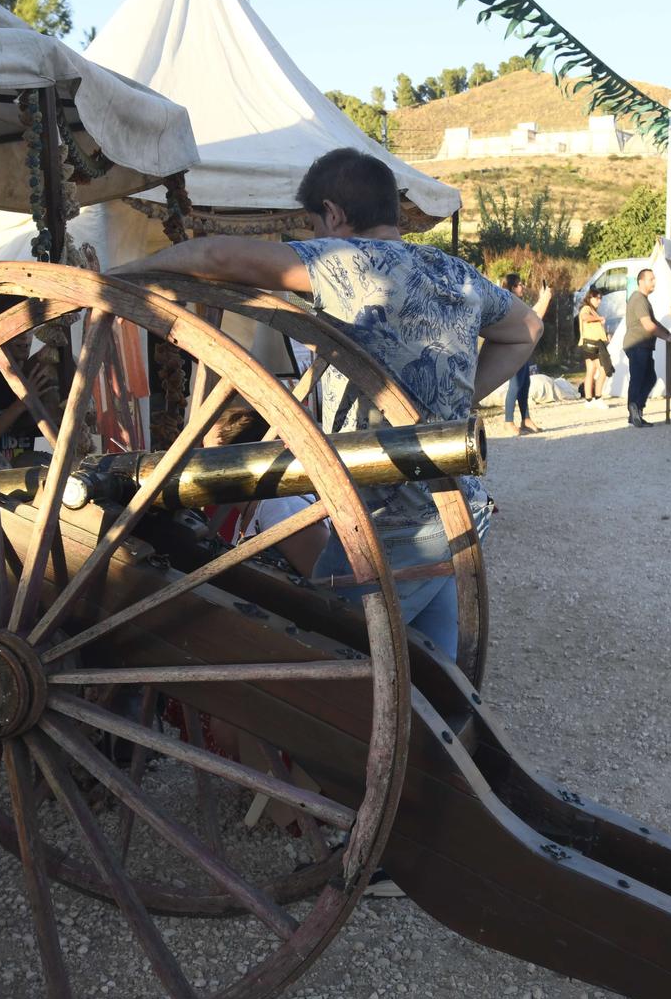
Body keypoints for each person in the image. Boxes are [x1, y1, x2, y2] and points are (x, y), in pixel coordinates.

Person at [115, 146, 541, 655]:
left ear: (334, 213)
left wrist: (115, 282)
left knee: (326, 675)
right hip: (456, 513)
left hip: (385, 528)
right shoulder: (455, 272)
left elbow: (216, 256)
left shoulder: (348, 262)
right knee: (435, 676)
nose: (315, 239)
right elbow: (527, 329)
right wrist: (454, 406)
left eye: (315, 225)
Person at [621, 267, 671, 428]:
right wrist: (667, 337)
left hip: (642, 345)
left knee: (649, 377)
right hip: (637, 345)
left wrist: (668, 333)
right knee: (638, 379)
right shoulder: (638, 299)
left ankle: (636, 411)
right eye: (651, 279)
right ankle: (634, 410)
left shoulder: (642, 299)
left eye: (654, 278)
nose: (654, 282)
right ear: (641, 281)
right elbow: (648, 325)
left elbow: (654, 322)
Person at [499, 270, 541, 435]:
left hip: (522, 348)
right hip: (512, 349)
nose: (521, 286)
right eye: (517, 284)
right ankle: (508, 421)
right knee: (515, 384)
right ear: (510, 287)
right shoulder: (508, 303)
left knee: (525, 383)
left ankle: (526, 419)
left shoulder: (519, 303)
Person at [577, 287, 612, 404]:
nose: (599, 301)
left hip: (588, 343)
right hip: (593, 343)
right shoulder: (587, 308)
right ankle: (598, 397)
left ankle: (588, 400)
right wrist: (599, 318)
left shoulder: (591, 310)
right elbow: (584, 317)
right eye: (597, 298)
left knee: (591, 370)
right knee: (603, 369)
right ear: (590, 298)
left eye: (600, 298)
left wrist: (605, 335)